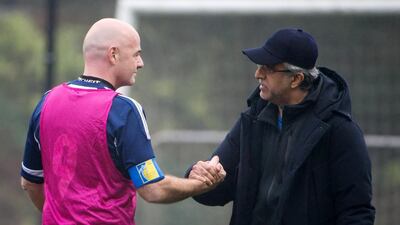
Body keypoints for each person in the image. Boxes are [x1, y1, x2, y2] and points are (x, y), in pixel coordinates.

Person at [20, 18, 225, 225]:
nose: (140, 63)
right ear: (113, 54)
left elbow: (30, 182)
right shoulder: (123, 110)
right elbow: (153, 189)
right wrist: (199, 185)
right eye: (136, 54)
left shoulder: (47, 101)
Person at [188, 28, 375, 225]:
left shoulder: (341, 131)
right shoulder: (253, 119)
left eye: (268, 68)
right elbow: (214, 193)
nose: (257, 74)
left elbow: (356, 214)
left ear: (296, 79)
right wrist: (198, 177)